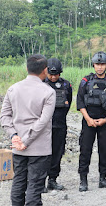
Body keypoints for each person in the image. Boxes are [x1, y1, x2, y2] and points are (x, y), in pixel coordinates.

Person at [0, 54, 56, 205]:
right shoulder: (48, 92)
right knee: (35, 186)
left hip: (18, 147)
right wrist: (26, 140)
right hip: (39, 149)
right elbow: (43, 121)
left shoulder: (13, 89)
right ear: (45, 70)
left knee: (18, 182)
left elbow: (4, 116)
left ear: (27, 68)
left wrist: (14, 136)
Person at [77, 51, 106, 192]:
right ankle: (83, 180)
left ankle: (103, 178)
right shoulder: (86, 81)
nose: (100, 67)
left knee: (104, 150)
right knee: (85, 150)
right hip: (88, 121)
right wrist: (88, 119)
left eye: (102, 64)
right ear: (93, 65)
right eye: (97, 64)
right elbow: (80, 102)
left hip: (105, 121)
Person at [44, 58, 72, 190]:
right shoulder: (41, 84)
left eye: (56, 74)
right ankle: (40, 182)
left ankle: (52, 180)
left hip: (60, 126)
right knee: (42, 155)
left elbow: (69, 103)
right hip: (43, 127)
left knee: (57, 153)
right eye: (51, 74)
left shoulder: (66, 85)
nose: (53, 77)